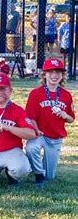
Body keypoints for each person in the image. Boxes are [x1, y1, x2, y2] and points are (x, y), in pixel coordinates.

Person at [25, 58, 75, 186]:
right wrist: (36, 130)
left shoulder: (66, 95)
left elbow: (71, 119)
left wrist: (65, 115)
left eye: (58, 72)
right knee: (31, 148)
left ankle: (39, 169)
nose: (54, 75)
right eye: (50, 72)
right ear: (44, 75)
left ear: (62, 75)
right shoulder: (36, 93)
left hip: (55, 137)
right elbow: (31, 117)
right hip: (40, 134)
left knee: (50, 176)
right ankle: (38, 175)